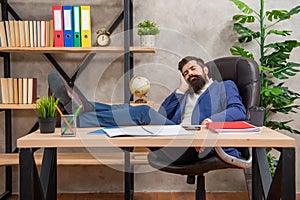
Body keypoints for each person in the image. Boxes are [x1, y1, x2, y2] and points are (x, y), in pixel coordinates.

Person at [48, 56, 246, 165]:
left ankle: (75, 119)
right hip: (175, 137)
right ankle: (87, 108)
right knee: (130, 110)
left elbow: (238, 111)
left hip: (195, 145)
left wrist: (209, 125)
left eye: (193, 69)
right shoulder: (186, 93)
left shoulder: (223, 86)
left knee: (143, 112)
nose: (189, 74)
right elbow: (163, 114)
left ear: (205, 70)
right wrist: (180, 90)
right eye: (185, 73)